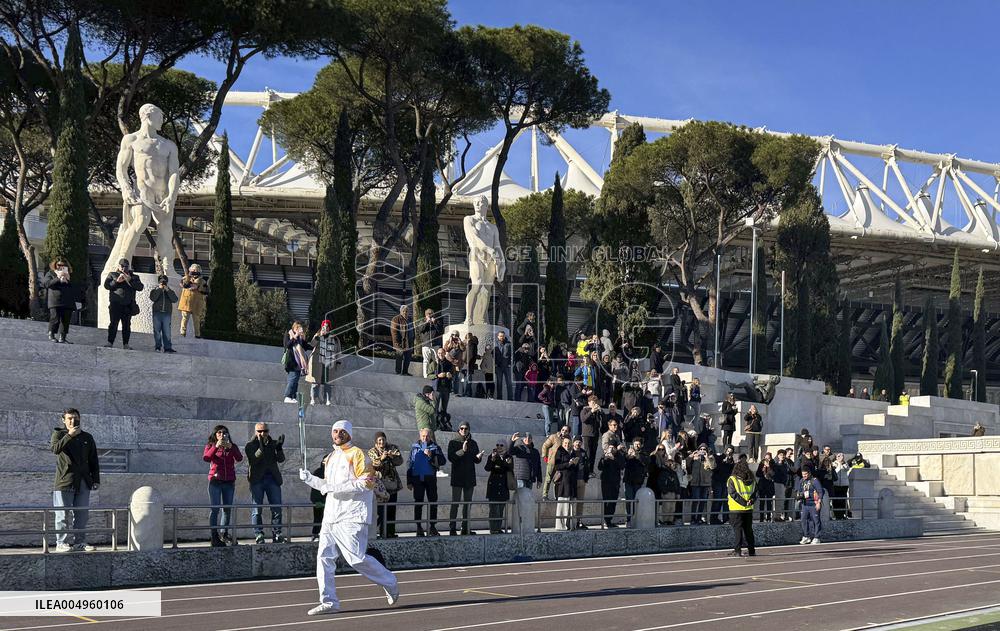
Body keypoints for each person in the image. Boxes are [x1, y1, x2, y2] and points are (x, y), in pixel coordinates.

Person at [298, 420, 399, 616]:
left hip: (353, 514)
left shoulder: (357, 454)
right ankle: (329, 601)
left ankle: (390, 582)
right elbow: (327, 485)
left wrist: (333, 487)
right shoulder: (331, 457)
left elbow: (367, 483)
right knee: (324, 558)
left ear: (349, 434)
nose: (338, 434)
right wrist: (310, 479)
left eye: (342, 431)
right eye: (335, 431)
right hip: (331, 515)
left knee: (356, 558)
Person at [50, 409, 99, 552]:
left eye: (76, 418)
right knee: (62, 514)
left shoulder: (87, 437)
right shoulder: (59, 434)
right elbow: (54, 449)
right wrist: (69, 436)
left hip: (84, 481)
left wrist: (96, 479)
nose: (73, 421)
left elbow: (93, 459)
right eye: (70, 418)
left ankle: (80, 542)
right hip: (65, 480)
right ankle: (61, 543)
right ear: (63, 420)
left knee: (82, 514)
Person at [246, 422, 287, 544]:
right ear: (255, 432)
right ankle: (258, 534)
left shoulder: (273, 443)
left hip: (272, 479)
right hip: (257, 480)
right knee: (257, 509)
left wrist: (279, 448)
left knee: (276, 508)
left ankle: (277, 533)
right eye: (259, 431)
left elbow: (281, 459)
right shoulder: (250, 445)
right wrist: (260, 445)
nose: (262, 434)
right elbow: (254, 459)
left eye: (265, 431)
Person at [203, 425, 243, 546]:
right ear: (215, 435)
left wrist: (232, 448)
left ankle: (224, 534)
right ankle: (214, 537)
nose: (222, 434)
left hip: (229, 482)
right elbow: (206, 457)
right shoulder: (210, 446)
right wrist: (216, 446)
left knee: (227, 509)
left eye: (224, 432)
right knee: (215, 509)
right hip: (215, 481)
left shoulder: (232, 446)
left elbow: (239, 458)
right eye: (219, 432)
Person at [407, 427, 444, 537]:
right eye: (423, 436)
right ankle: (418, 526)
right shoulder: (414, 448)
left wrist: (431, 455)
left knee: (433, 502)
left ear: (430, 436)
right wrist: (409, 481)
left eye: (427, 436)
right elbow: (410, 463)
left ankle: (432, 526)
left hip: (430, 479)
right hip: (417, 479)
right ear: (420, 436)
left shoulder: (435, 447)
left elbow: (443, 461)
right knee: (418, 503)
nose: (425, 438)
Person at [447, 423, 482, 535]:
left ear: (469, 430)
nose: (464, 430)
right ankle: (452, 528)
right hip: (457, 478)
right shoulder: (453, 442)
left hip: (469, 478)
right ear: (459, 429)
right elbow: (451, 457)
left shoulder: (473, 443)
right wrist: (462, 450)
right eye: (462, 428)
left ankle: (465, 528)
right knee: (455, 503)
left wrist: (478, 458)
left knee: (467, 504)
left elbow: (475, 460)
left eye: (466, 428)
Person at [368, 432, 403, 538]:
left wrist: (392, 457)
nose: (382, 442)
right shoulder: (372, 451)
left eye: (383, 440)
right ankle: (379, 532)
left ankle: (390, 532)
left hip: (392, 484)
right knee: (381, 511)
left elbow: (400, 461)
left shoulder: (393, 448)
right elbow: (374, 465)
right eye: (379, 440)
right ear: (376, 442)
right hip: (379, 486)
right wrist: (382, 458)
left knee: (391, 509)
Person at [103, 258, 143, 349]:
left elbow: (140, 287)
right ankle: (110, 342)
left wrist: (130, 280)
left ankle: (126, 344)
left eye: (126, 266)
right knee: (113, 324)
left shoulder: (134, 277)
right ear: (119, 266)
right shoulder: (113, 274)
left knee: (126, 325)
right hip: (115, 304)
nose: (124, 268)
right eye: (122, 266)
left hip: (128, 305)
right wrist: (116, 281)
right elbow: (106, 286)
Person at [42, 258, 78, 344]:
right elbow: (46, 284)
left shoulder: (69, 274)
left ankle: (63, 337)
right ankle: (51, 334)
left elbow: (75, 287)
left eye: (63, 265)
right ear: (55, 265)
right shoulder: (51, 273)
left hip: (67, 300)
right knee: (55, 318)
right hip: (55, 300)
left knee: (66, 320)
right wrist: (58, 278)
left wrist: (68, 280)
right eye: (59, 265)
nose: (61, 267)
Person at [727, 459, 757, 557]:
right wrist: (750, 501)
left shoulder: (733, 479)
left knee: (737, 530)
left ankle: (737, 550)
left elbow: (733, 494)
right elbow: (755, 492)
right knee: (748, 530)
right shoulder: (752, 478)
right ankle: (751, 550)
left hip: (736, 508)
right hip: (749, 508)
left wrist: (743, 502)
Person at [307, 320, 340, 405]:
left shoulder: (334, 338)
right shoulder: (317, 335)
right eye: (324, 326)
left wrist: (338, 361)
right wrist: (319, 336)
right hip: (317, 361)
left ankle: (328, 399)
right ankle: (313, 398)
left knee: (328, 381)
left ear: (329, 328)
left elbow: (338, 350)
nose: (325, 328)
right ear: (321, 327)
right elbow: (312, 344)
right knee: (315, 380)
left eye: (327, 326)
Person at [484, 441, 513, 533]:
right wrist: (492, 459)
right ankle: (493, 529)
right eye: (497, 445)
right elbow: (487, 468)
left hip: (503, 486)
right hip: (494, 486)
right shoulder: (492, 456)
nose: (499, 447)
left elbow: (509, 468)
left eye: (501, 445)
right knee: (493, 510)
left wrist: (503, 461)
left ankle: (498, 528)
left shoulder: (508, 457)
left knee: (500, 509)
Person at [598, 437, 626, 528]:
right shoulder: (605, 455)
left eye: (613, 447)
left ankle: (609, 519)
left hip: (615, 482)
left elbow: (622, 466)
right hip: (606, 481)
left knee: (613, 501)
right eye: (610, 447)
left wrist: (613, 458)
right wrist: (605, 458)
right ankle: (606, 520)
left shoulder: (619, 455)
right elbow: (599, 467)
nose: (611, 449)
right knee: (607, 501)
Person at [282, 321, 311, 403]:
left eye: (300, 328)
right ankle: (287, 396)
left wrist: (304, 338)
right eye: (297, 328)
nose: (299, 330)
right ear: (294, 328)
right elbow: (287, 345)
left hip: (299, 363)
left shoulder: (300, 338)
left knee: (296, 381)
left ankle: (293, 396)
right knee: (292, 379)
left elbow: (306, 347)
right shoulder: (289, 334)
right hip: (291, 362)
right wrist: (295, 336)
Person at [687, 443, 715, 524]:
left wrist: (706, 458)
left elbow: (712, 467)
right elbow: (684, 465)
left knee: (703, 501)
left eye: (704, 449)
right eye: (701, 449)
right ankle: (693, 518)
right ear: (698, 450)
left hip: (705, 483)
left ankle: (699, 518)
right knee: (695, 500)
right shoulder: (694, 458)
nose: (702, 451)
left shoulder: (710, 458)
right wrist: (691, 456)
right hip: (695, 483)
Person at [149, 274, 178, 353]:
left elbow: (175, 299)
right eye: (161, 282)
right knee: (157, 331)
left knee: (167, 331)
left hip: (166, 314)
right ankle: (158, 346)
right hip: (157, 313)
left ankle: (168, 347)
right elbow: (153, 298)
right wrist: (159, 289)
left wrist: (167, 290)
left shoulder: (169, 291)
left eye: (164, 282)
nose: (163, 284)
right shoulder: (155, 290)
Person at [541, 425, 572, 499]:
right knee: (548, 479)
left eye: (566, 430)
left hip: (561, 463)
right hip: (552, 461)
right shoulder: (554, 437)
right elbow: (545, 445)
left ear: (568, 432)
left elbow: (570, 449)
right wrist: (545, 456)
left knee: (558, 480)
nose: (564, 431)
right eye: (563, 429)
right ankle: (545, 495)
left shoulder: (568, 439)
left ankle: (557, 496)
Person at [178, 263, 208, 338]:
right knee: (185, 317)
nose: (194, 272)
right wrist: (188, 283)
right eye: (193, 270)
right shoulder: (186, 278)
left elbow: (204, 290)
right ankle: (182, 332)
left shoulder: (202, 281)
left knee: (196, 319)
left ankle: (197, 334)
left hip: (197, 303)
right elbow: (182, 284)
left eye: (196, 270)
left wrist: (196, 287)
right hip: (186, 302)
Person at [623, 437, 648, 525]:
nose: (637, 446)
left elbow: (645, 461)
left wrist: (636, 455)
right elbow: (623, 463)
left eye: (638, 444)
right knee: (629, 500)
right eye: (635, 444)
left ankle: (637, 518)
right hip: (628, 480)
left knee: (637, 500)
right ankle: (629, 519)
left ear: (641, 445)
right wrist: (627, 456)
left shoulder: (643, 453)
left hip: (638, 481)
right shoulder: (628, 452)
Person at [797, 465, 825, 544]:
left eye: (805, 474)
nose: (804, 476)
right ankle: (806, 536)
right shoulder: (802, 481)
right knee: (803, 520)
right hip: (805, 504)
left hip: (814, 503)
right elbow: (799, 491)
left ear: (809, 473)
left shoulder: (814, 480)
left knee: (816, 521)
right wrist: (799, 497)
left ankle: (817, 537)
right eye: (803, 474)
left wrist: (819, 502)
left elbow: (820, 492)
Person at [570, 436, 591, 529]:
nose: (578, 444)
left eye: (579, 442)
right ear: (573, 443)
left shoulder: (583, 453)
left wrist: (586, 478)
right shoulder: (570, 452)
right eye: (576, 442)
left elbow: (587, 465)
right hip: (572, 481)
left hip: (582, 480)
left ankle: (579, 521)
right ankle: (570, 522)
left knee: (580, 502)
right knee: (571, 502)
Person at [710, 447, 735, 525]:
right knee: (717, 500)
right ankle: (713, 518)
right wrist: (723, 461)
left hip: (725, 482)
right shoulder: (719, 457)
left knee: (725, 501)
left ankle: (726, 518)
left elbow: (732, 470)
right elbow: (714, 469)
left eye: (731, 452)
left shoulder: (731, 460)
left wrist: (730, 461)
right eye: (728, 451)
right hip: (717, 481)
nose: (729, 453)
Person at [418, 308, 443, 378]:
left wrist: (435, 323)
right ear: (425, 315)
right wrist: (426, 322)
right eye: (428, 314)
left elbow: (441, 331)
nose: (430, 316)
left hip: (436, 344)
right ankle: (425, 375)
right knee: (426, 361)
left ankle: (437, 375)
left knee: (437, 360)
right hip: (426, 345)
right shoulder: (422, 321)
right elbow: (420, 330)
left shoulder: (437, 321)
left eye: (431, 314)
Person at [433, 347, 455, 428]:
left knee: (444, 408)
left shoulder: (449, 363)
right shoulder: (434, 363)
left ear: (444, 353)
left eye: (442, 353)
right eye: (439, 353)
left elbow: (453, 374)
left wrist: (450, 375)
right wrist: (437, 375)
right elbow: (428, 375)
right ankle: (435, 424)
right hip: (437, 388)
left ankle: (442, 423)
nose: (440, 355)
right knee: (435, 408)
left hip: (446, 388)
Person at [309, 455, 328, 543]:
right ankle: (315, 534)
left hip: (331, 502)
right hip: (319, 501)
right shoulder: (318, 472)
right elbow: (315, 489)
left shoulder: (334, 473)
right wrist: (317, 501)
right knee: (318, 518)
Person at [390, 305, 413, 375]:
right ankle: (398, 372)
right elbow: (394, 332)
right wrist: (397, 343)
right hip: (400, 342)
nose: (405, 312)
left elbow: (413, 330)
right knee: (399, 357)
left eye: (407, 311)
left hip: (409, 342)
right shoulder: (396, 319)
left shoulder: (410, 319)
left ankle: (405, 372)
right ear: (400, 311)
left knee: (408, 358)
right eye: (404, 311)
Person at [755, 452, 776, 522]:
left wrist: (768, 466)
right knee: (762, 502)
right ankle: (761, 517)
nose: (767, 460)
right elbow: (757, 474)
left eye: (768, 458)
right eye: (765, 458)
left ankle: (768, 517)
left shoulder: (773, 464)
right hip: (762, 485)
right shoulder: (761, 464)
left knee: (769, 502)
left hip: (769, 485)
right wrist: (763, 468)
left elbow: (773, 474)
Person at [494, 331, 514, 401]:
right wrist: (495, 364)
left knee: (509, 382)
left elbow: (512, 355)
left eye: (503, 336)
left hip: (506, 367)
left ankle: (510, 398)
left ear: (504, 336)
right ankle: (499, 398)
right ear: (498, 336)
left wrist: (510, 364)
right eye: (500, 336)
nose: (501, 337)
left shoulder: (508, 344)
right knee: (499, 383)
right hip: (498, 367)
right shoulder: (495, 344)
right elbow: (493, 355)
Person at [831, 453, 851, 520]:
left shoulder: (845, 463)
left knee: (843, 500)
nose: (840, 457)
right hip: (836, 485)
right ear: (836, 457)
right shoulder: (834, 463)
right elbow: (834, 471)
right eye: (839, 456)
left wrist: (842, 462)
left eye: (842, 456)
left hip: (844, 485)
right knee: (836, 500)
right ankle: (837, 515)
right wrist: (837, 464)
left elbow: (847, 469)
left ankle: (843, 514)